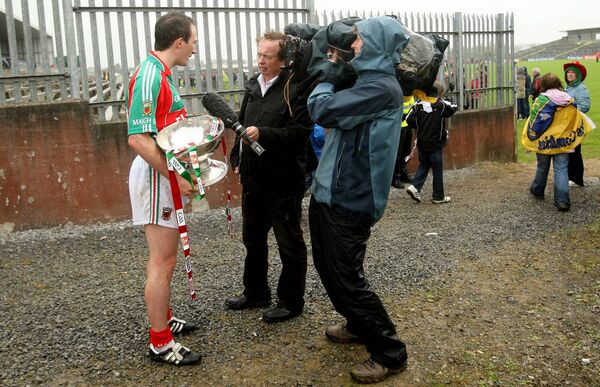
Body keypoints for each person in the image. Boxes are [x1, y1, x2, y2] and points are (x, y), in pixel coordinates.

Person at [307, 16, 409, 384]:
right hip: (329, 192)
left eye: (360, 40)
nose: (353, 46)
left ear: (378, 45)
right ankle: (356, 323)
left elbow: (323, 111)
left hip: (351, 198)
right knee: (327, 266)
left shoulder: (381, 88)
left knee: (347, 277)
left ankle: (389, 352)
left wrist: (328, 76)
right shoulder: (367, 82)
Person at [126, 12, 201, 365]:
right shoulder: (150, 75)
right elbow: (138, 138)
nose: (195, 50)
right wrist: (179, 176)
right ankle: (159, 341)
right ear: (179, 42)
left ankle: (164, 318)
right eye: (194, 42)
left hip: (163, 173)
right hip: (156, 177)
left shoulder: (161, 74)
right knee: (162, 260)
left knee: (165, 259)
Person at [227, 31, 313, 323]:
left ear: (283, 59)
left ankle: (291, 301)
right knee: (252, 238)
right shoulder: (253, 86)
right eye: (259, 54)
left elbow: (301, 134)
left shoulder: (294, 89)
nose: (261, 61)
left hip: (283, 181)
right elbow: (241, 125)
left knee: (289, 243)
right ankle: (255, 292)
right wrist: (237, 157)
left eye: (268, 56)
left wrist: (264, 134)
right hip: (253, 180)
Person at [522, 72, 594, 212]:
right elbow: (575, 119)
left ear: (543, 85)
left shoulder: (541, 101)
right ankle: (562, 201)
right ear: (558, 84)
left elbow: (534, 122)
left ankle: (537, 190)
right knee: (561, 169)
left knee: (542, 167)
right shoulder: (570, 100)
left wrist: (531, 139)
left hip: (544, 142)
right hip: (563, 142)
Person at [405, 82, 457, 204]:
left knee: (424, 164)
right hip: (436, 144)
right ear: (438, 93)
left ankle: (415, 187)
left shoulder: (417, 105)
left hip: (422, 142)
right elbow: (453, 107)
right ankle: (438, 197)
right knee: (437, 170)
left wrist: (419, 125)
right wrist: (443, 99)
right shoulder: (440, 105)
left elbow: (408, 120)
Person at [564, 60, 591, 187]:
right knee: (570, 150)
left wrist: (570, 113)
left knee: (575, 151)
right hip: (568, 124)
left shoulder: (581, 88)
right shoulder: (568, 87)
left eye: (572, 73)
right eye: (568, 72)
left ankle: (577, 179)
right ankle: (571, 177)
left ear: (577, 75)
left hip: (575, 124)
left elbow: (585, 106)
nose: (570, 74)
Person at [391, 95, 415, 189]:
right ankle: (395, 177)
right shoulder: (398, 95)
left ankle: (404, 174)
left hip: (407, 126)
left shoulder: (410, 96)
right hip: (398, 127)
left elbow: (413, 109)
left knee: (406, 152)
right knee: (397, 153)